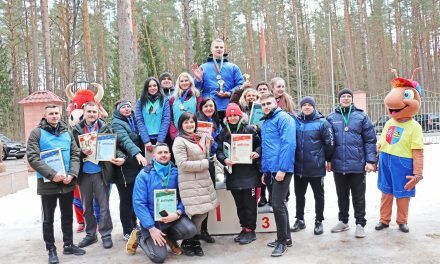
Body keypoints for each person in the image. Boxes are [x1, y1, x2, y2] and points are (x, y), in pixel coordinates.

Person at [27, 104, 85, 264]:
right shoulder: (37, 133)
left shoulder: (67, 132)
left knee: (67, 216)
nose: (54, 116)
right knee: (48, 219)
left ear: (60, 115)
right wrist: (53, 175)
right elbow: (33, 157)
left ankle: (68, 245)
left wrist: (72, 174)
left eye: (57, 113)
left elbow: (75, 154)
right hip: (48, 184)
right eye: (51, 113)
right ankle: (51, 249)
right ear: (45, 116)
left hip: (67, 182)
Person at [127, 143, 197, 263]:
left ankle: (167, 237)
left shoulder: (177, 172)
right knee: (159, 257)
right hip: (152, 222)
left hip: (172, 218)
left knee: (190, 230)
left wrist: (178, 212)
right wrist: (151, 228)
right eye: (160, 153)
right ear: (154, 155)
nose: (163, 155)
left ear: (170, 154)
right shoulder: (144, 175)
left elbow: (185, 196)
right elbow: (139, 203)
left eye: (166, 152)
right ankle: (140, 236)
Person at [72, 102, 125, 249]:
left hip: (101, 173)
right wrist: (82, 153)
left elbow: (116, 147)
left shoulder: (105, 128)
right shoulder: (76, 130)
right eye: (89, 111)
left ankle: (106, 234)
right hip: (84, 174)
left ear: (98, 113)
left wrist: (122, 158)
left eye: (94, 112)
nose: (91, 114)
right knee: (86, 206)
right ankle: (90, 235)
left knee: (103, 206)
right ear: (84, 112)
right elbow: (72, 152)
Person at [375, 76, 424, 233]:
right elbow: (381, 143)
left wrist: (418, 173)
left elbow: (418, 151)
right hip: (385, 160)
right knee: (386, 192)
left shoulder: (415, 127)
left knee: (402, 194)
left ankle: (402, 221)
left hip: (403, 163)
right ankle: (384, 220)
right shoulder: (389, 122)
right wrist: (375, 160)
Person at [326, 88, 377, 238]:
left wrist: (370, 161)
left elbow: (370, 140)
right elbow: (328, 142)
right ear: (339, 99)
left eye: (349, 96)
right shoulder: (331, 117)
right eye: (343, 96)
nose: (346, 98)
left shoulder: (361, 116)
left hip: (357, 165)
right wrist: (328, 159)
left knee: (358, 196)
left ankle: (360, 224)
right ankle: (343, 221)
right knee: (341, 195)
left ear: (352, 99)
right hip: (338, 165)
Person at [172, 112, 218, 257]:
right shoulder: (179, 141)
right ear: (181, 125)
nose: (190, 125)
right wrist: (205, 163)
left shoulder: (197, 137)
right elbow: (182, 164)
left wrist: (209, 143)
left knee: (203, 211)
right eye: (186, 122)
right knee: (197, 212)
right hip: (190, 181)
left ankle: (193, 240)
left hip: (203, 180)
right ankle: (188, 240)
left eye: (192, 122)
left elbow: (203, 154)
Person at [216, 103, 261, 244]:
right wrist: (225, 159)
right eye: (230, 115)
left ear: (240, 116)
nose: (233, 117)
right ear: (227, 118)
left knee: (250, 204)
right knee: (240, 204)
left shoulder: (249, 129)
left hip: (249, 174)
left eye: (236, 115)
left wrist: (256, 153)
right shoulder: (223, 133)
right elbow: (218, 151)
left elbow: (260, 145)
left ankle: (251, 230)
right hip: (233, 174)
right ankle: (244, 227)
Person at [290, 96, 334, 236]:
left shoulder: (323, 123)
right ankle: (300, 220)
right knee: (299, 195)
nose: (307, 107)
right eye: (304, 105)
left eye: (310, 105)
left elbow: (330, 144)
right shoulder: (296, 122)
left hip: (316, 167)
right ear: (301, 107)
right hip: (299, 168)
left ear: (314, 106)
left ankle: (318, 221)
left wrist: (326, 159)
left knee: (318, 195)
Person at [260, 94, 296, 257]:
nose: (266, 106)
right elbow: (268, 148)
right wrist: (265, 170)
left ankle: (282, 242)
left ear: (276, 103)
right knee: (279, 204)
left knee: (276, 205)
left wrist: (282, 169)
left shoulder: (283, 118)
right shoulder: (267, 121)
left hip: (282, 169)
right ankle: (286, 237)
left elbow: (289, 144)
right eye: (263, 104)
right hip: (271, 169)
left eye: (268, 103)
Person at [111, 99, 148, 240]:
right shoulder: (116, 123)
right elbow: (125, 140)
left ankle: (134, 226)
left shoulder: (134, 120)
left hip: (137, 166)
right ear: (118, 110)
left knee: (135, 198)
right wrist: (138, 153)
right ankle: (127, 230)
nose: (126, 109)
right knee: (126, 200)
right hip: (124, 169)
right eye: (123, 107)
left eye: (128, 106)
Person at [192, 38, 251, 120]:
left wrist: (229, 93)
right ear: (211, 49)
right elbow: (196, 89)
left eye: (221, 47)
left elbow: (241, 85)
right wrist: (198, 80)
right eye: (216, 47)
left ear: (224, 49)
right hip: (208, 108)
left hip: (229, 107)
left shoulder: (233, 67)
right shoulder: (203, 67)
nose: (219, 49)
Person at [196, 97, 222, 243]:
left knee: (208, 196)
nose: (209, 109)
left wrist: (214, 144)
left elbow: (218, 142)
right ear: (201, 108)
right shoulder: (196, 121)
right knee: (198, 197)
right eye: (206, 106)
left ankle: (204, 230)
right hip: (198, 161)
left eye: (211, 106)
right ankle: (195, 232)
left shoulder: (216, 122)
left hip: (210, 161)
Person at [135, 77, 171, 153]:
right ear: (146, 88)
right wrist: (146, 141)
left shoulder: (165, 100)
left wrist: (160, 140)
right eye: (149, 86)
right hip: (146, 140)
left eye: (154, 85)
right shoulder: (140, 101)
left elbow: (166, 120)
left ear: (158, 87)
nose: (152, 88)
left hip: (162, 138)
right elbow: (139, 120)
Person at [169, 72, 202, 140]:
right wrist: (174, 134)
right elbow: (171, 118)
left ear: (190, 82)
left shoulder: (196, 96)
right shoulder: (173, 99)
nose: (184, 83)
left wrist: (196, 133)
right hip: (177, 134)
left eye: (186, 80)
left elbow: (200, 116)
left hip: (192, 133)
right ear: (178, 83)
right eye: (182, 81)